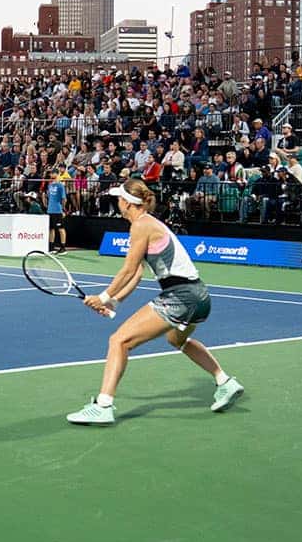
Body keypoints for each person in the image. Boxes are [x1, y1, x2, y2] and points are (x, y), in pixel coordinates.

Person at [66, 178, 244, 426]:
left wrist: (103, 296)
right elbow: (137, 273)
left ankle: (104, 406)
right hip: (200, 296)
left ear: (128, 203)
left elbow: (127, 269)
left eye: (119, 199)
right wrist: (114, 303)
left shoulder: (141, 225)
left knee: (119, 341)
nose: (117, 202)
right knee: (175, 339)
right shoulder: (147, 224)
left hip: (181, 296)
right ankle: (225, 381)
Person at [44, 168, 68, 254]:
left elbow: (64, 199)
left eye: (52, 173)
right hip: (50, 210)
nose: (51, 175)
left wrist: (63, 209)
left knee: (61, 228)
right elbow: (48, 197)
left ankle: (63, 247)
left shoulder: (60, 185)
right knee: (51, 229)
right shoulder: (50, 185)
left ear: (57, 174)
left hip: (58, 210)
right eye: (50, 173)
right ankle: (51, 247)